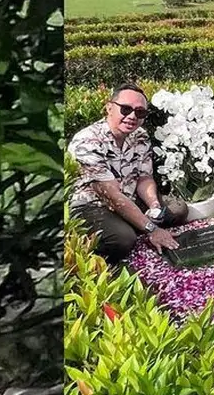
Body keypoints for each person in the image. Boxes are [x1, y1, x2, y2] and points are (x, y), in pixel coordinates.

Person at [68, 83, 186, 263]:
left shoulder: (140, 136)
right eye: (125, 109)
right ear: (109, 108)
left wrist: (154, 206)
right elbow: (111, 195)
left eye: (140, 112)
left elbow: (144, 178)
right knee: (123, 240)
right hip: (93, 204)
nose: (132, 116)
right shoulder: (87, 141)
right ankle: (132, 226)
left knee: (177, 209)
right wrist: (152, 229)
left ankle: (135, 221)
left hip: (128, 195)